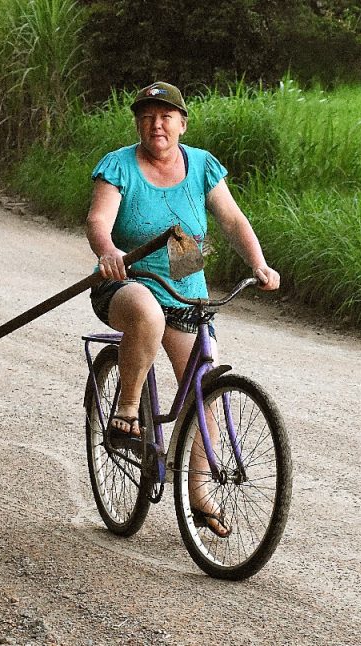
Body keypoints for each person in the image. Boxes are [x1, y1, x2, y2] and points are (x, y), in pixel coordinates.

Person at [85, 81, 280, 537]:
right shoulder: (118, 166)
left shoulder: (202, 166)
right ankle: (128, 411)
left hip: (185, 280)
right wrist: (109, 251)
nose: (158, 123)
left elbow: (231, 219)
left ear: (182, 123)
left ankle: (198, 493)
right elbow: (98, 220)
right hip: (129, 281)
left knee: (205, 381)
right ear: (138, 123)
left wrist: (259, 263)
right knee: (148, 315)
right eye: (149, 115)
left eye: (166, 115)